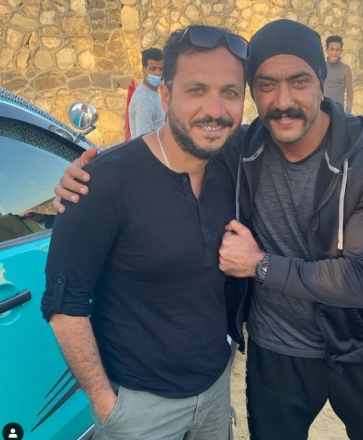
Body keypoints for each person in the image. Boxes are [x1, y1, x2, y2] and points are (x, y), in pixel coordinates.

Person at [54, 19, 363, 440]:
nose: (283, 101)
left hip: (358, 344)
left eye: (299, 82)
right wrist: (89, 176)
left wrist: (260, 265)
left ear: (322, 82)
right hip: (272, 352)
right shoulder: (241, 147)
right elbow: (172, 146)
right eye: (265, 85)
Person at [42, 25, 249, 440]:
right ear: (165, 97)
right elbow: (65, 307)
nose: (215, 109)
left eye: (230, 92)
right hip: (138, 411)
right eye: (197, 90)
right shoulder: (101, 183)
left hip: (214, 393)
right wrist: (108, 407)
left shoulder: (234, 166)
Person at [128, 47, 166, 137]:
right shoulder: (144, 99)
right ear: (144, 70)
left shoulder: (151, 92)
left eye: (161, 69)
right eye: (153, 69)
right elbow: (143, 138)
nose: (158, 73)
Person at [323, 35, 354, 113]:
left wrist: (348, 112)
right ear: (326, 50)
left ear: (341, 51)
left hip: (338, 111)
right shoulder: (322, 67)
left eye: (337, 50)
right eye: (332, 49)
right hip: (323, 109)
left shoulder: (345, 69)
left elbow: (350, 92)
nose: (334, 53)